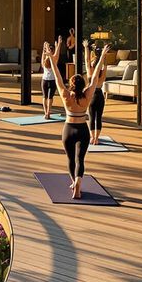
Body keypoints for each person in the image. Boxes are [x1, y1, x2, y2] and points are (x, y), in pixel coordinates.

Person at [48, 37, 110, 199]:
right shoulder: (88, 94)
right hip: (83, 129)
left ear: (71, 84)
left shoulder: (65, 95)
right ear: (83, 84)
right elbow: (95, 76)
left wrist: (51, 58)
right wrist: (103, 55)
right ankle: (78, 181)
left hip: (68, 129)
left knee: (70, 158)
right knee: (80, 159)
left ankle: (73, 181)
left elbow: (57, 78)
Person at [87, 43, 107, 144]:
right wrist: (104, 56)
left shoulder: (90, 73)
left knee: (91, 118)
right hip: (100, 96)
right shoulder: (102, 74)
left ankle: (92, 138)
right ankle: (96, 138)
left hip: (91, 96)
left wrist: (86, 48)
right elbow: (104, 66)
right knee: (98, 118)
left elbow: (87, 61)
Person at [40, 42, 57, 119]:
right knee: (50, 97)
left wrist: (44, 48)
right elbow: (57, 54)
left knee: (45, 97)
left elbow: (43, 56)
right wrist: (58, 45)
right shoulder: (54, 61)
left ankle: (45, 113)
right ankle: (48, 112)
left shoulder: (44, 62)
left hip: (45, 80)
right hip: (52, 81)